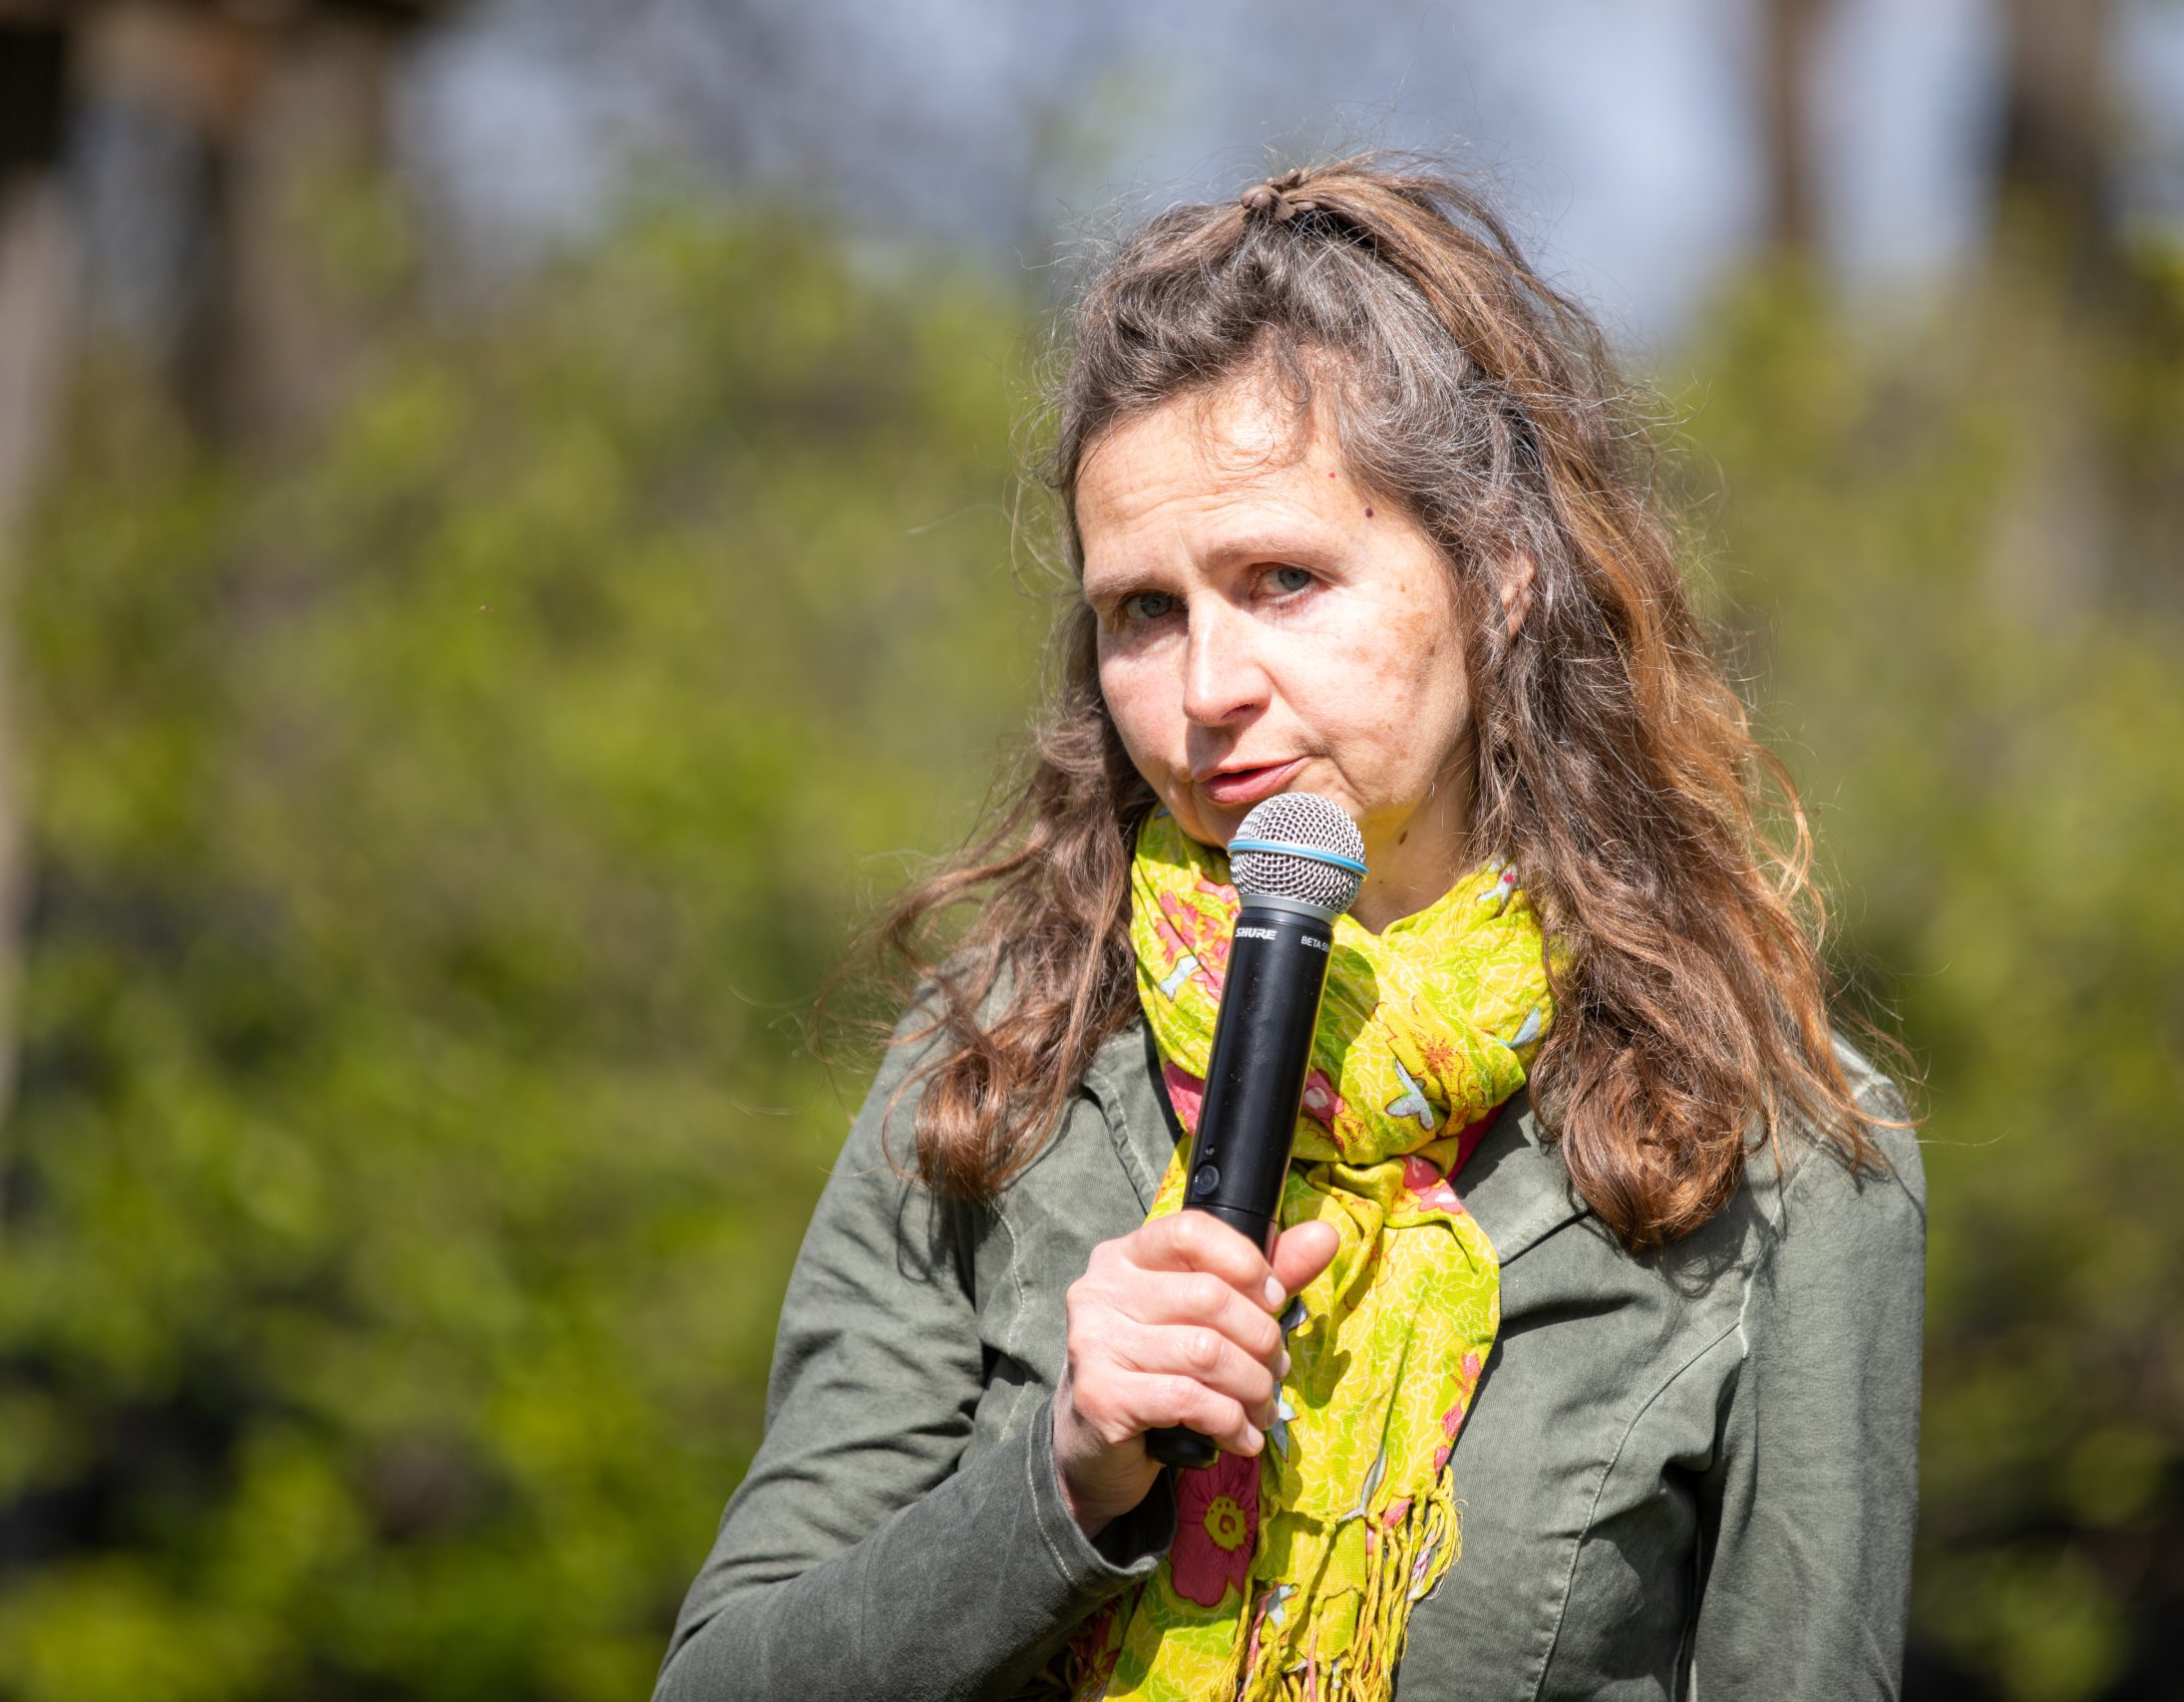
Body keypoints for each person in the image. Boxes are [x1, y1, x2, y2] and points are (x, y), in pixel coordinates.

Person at [653, 153, 1926, 1702]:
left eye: (1283, 580)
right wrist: (1065, 1481)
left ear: (1499, 575)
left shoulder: (1778, 1153)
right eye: (1145, 610)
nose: (1207, 690)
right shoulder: (999, 1066)